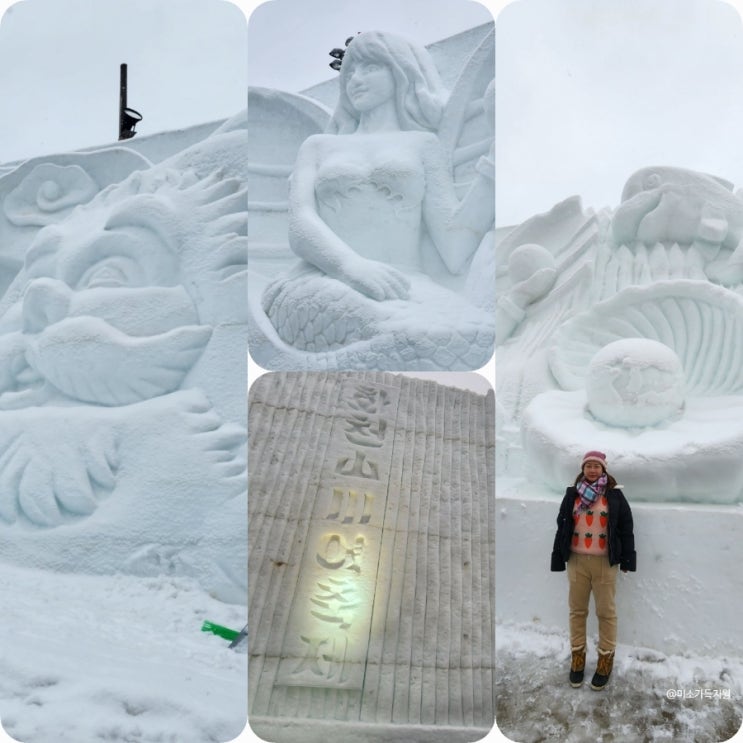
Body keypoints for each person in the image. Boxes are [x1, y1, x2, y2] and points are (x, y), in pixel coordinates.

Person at [261, 30, 494, 362]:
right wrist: (349, 266)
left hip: (406, 285)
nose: (355, 78)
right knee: (407, 337)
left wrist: (493, 168)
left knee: (476, 336)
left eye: (370, 67)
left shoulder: (423, 146)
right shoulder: (318, 146)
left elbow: (454, 248)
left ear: (400, 71)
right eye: (350, 71)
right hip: (322, 281)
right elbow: (300, 221)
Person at [551, 450, 636, 690]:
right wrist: (558, 557)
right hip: (577, 561)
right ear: (582, 469)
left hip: (604, 564)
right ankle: (578, 660)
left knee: (606, 612)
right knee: (577, 611)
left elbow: (625, 528)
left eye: (596, 466)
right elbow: (562, 526)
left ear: (603, 470)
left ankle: (605, 661)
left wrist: (628, 560)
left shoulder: (615, 496)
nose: (591, 470)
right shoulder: (572, 494)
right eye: (588, 465)